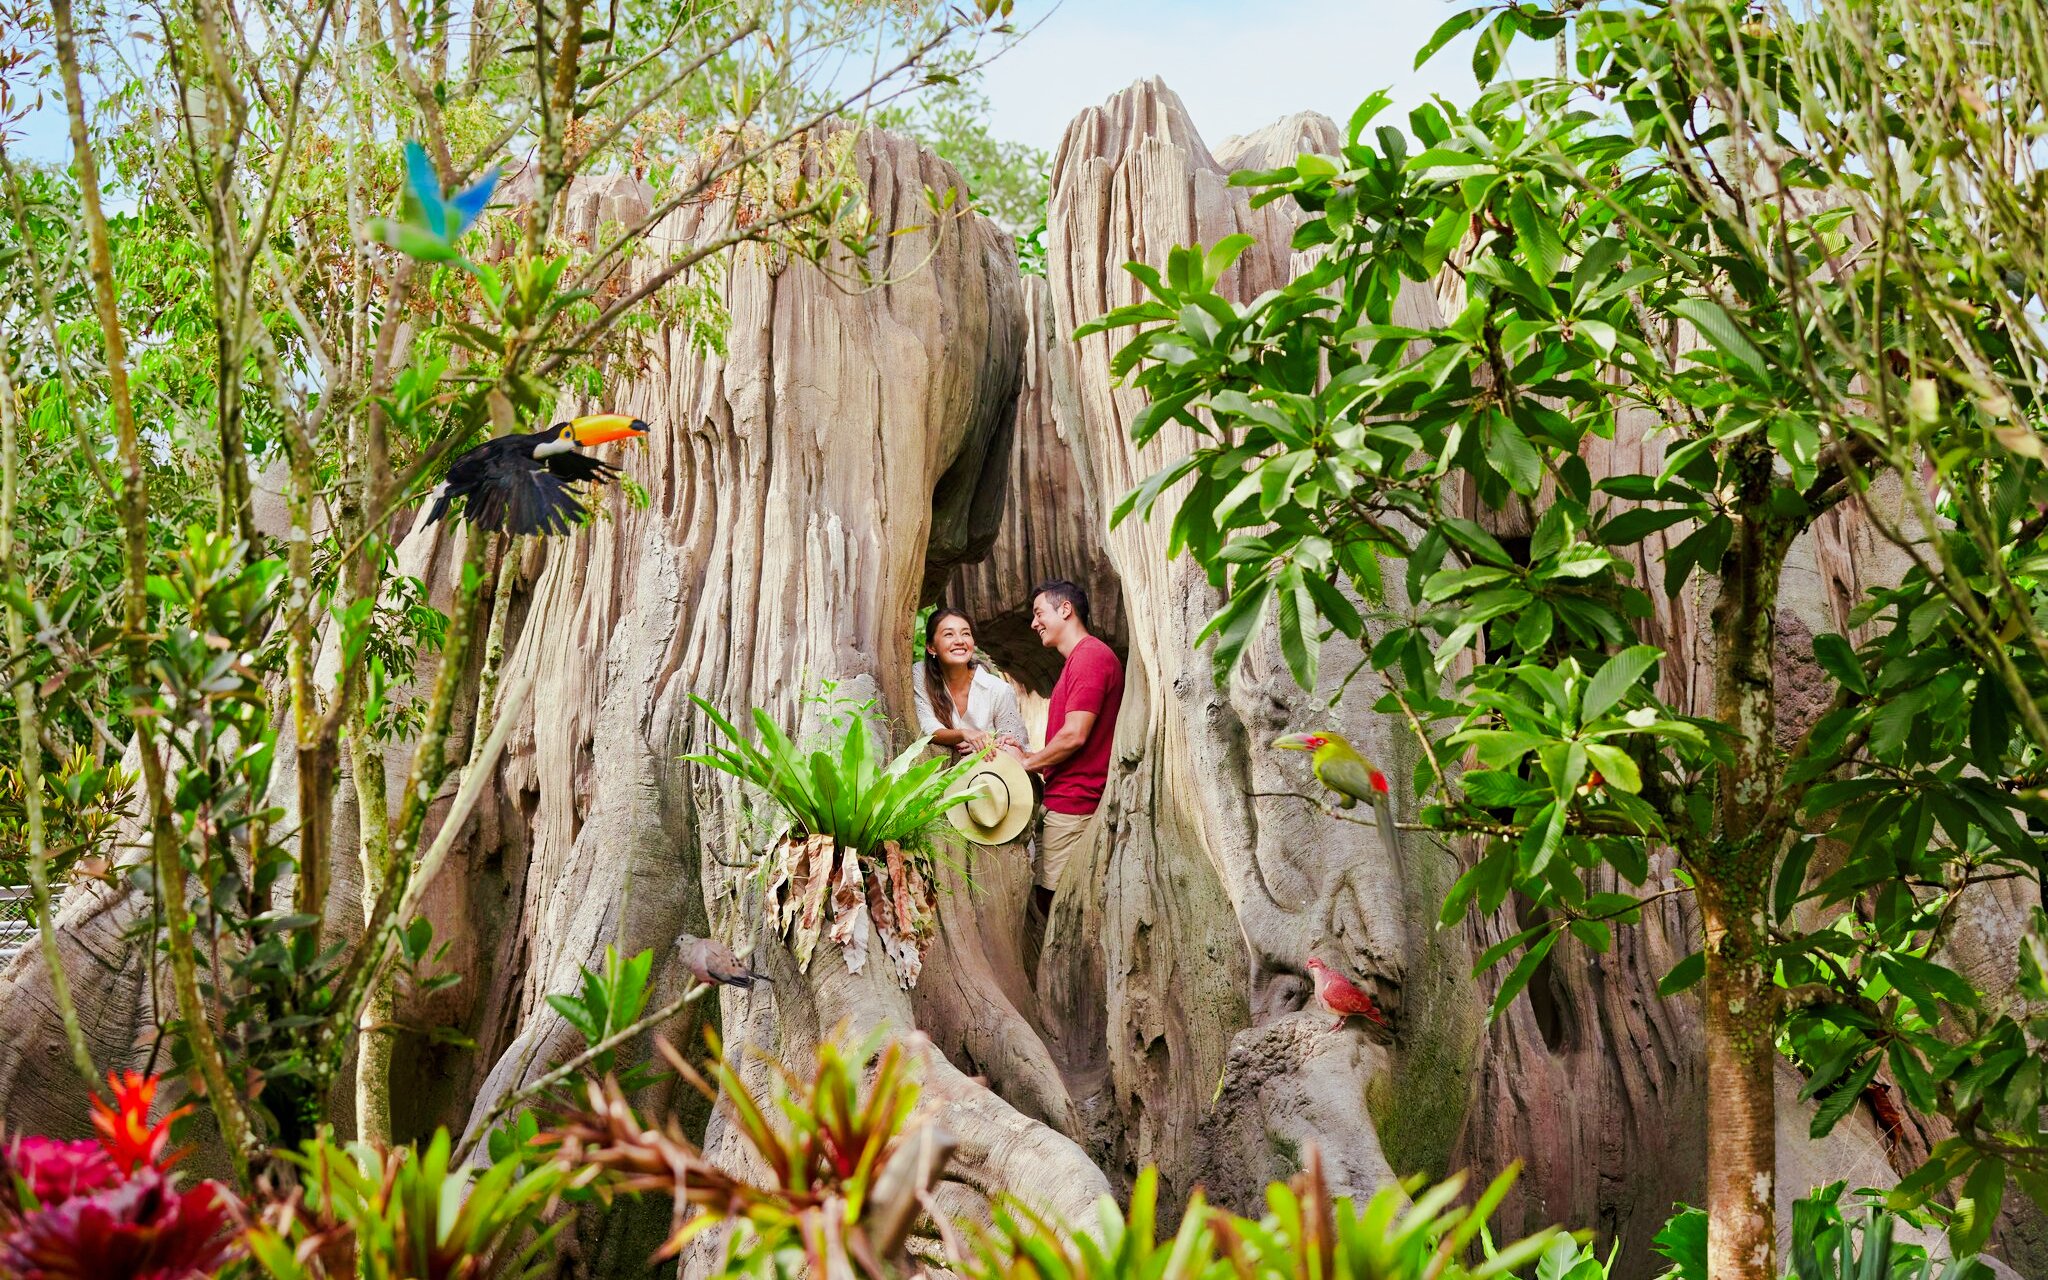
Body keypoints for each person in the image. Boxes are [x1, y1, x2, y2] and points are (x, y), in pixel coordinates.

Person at [1020, 579, 1123, 905]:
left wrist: (1025, 762)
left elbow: (1074, 734)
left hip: (1077, 804)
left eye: (1039, 613)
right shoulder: (1078, 660)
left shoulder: (1090, 657)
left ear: (1065, 609)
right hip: (1066, 800)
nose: (1034, 623)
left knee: (1058, 902)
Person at [912, 607, 1028, 759]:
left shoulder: (999, 690)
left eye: (966, 633)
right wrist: (962, 734)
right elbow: (926, 724)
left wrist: (991, 745)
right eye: (949, 634)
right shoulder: (920, 674)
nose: (960, 641)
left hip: (989, 777)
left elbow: (1018, 748)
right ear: (931, 648)